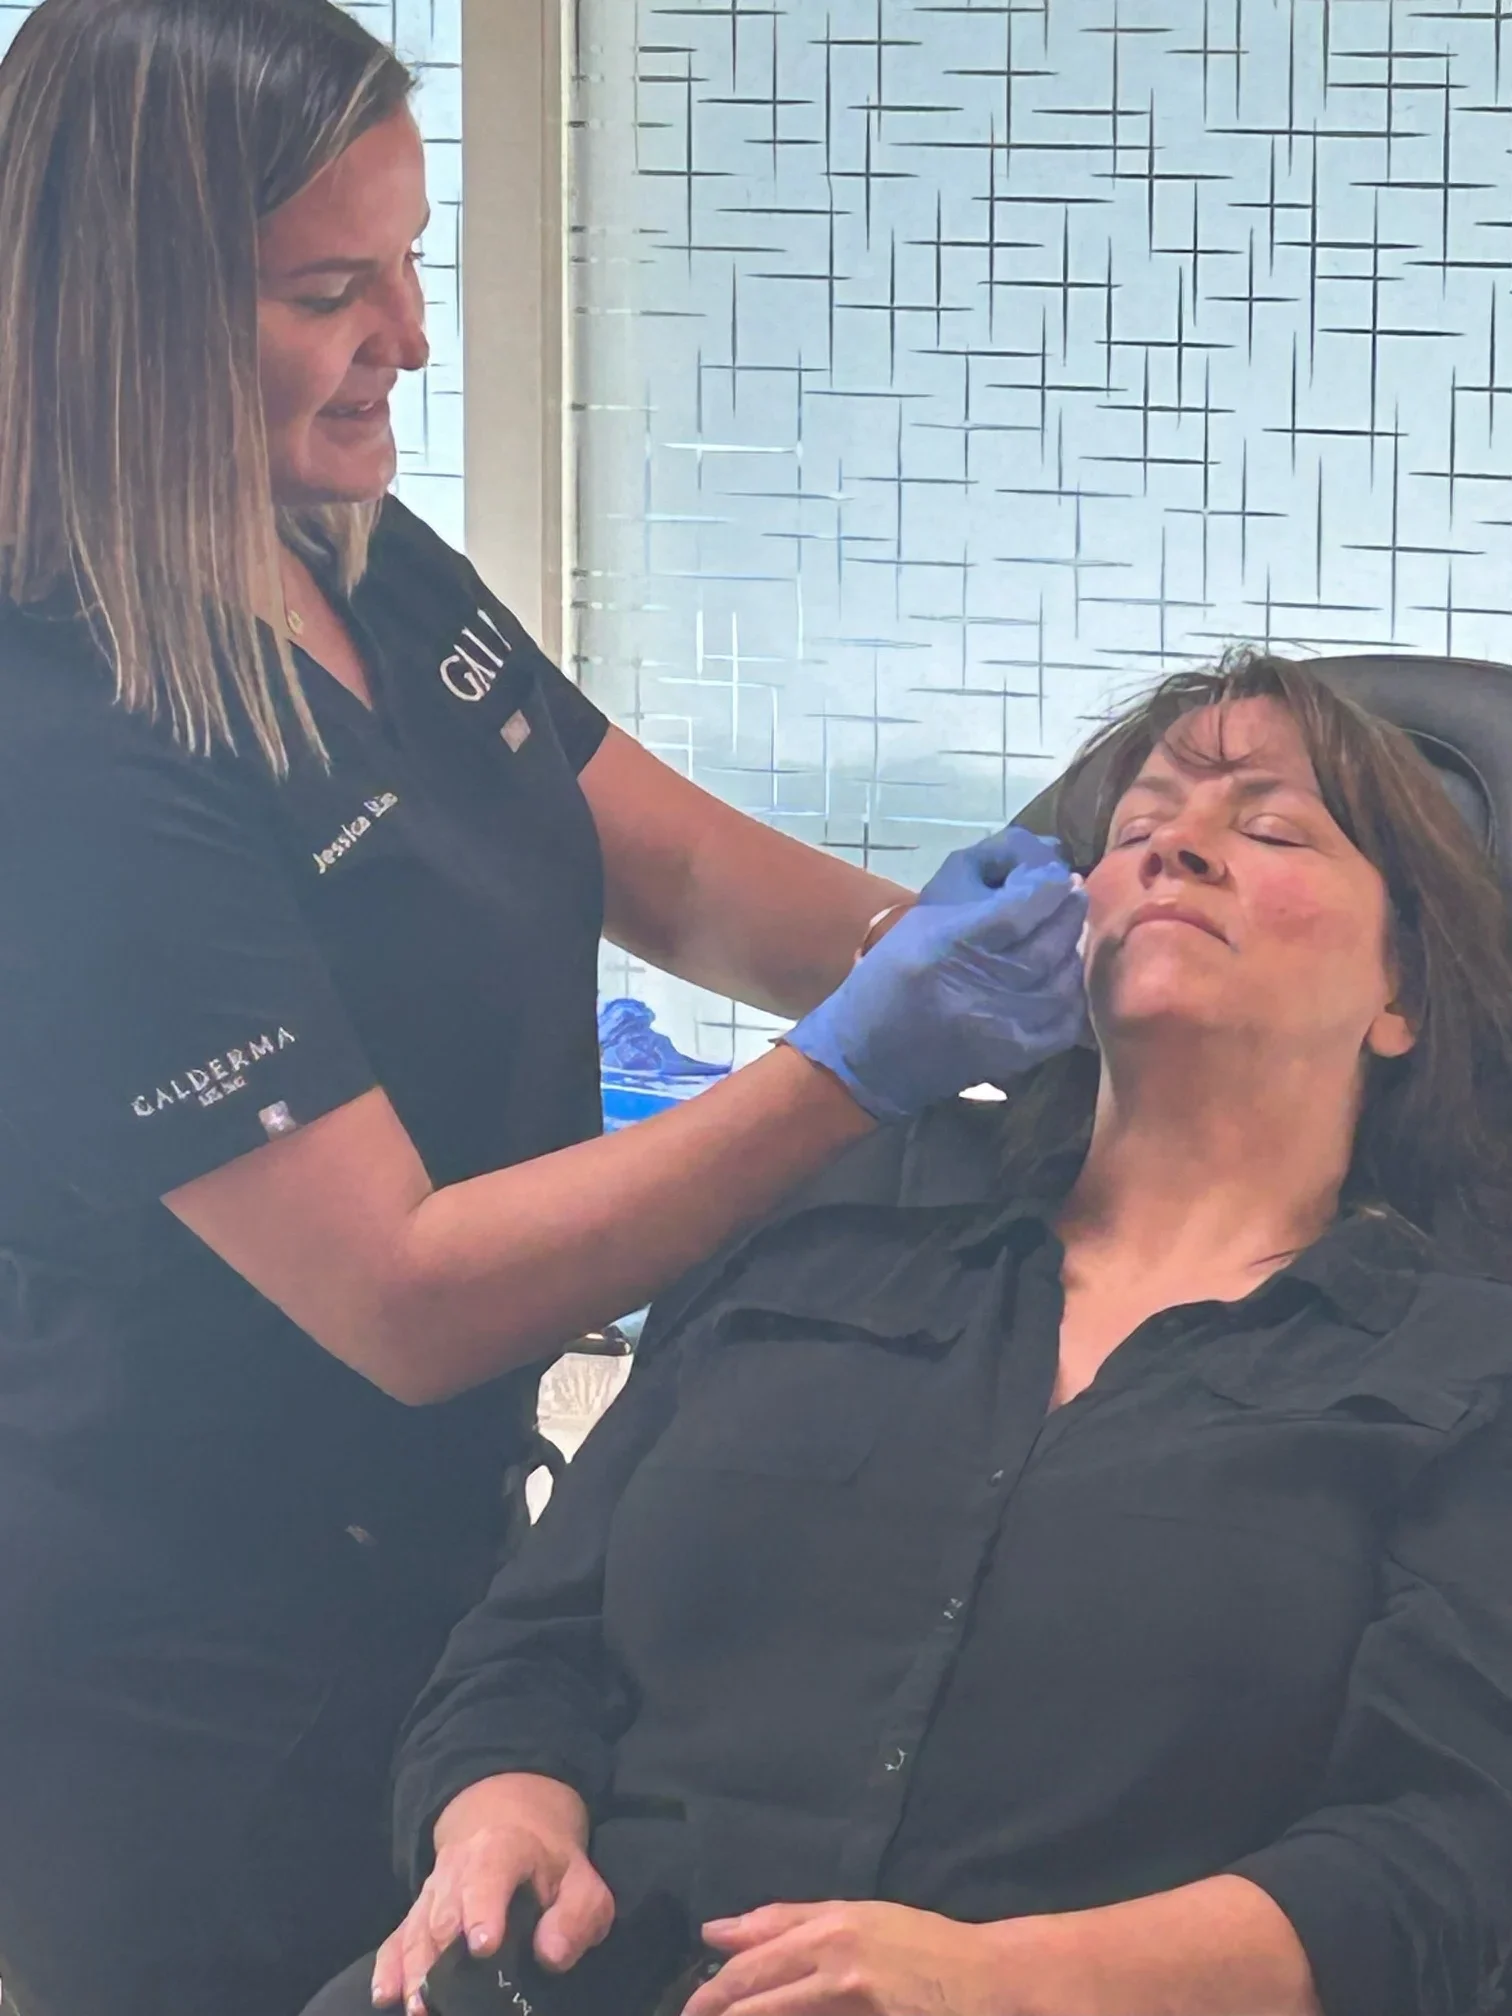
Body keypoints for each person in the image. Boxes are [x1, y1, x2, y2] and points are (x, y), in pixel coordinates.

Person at [0, 4, 1090, 2013]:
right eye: (332, 293)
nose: (410, 341)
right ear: (119, 317)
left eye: (412, 263)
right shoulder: (64, 745)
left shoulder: (349, 553)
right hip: (181, 1680)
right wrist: (855, 1077)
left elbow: (661, 863)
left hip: (444, 1570)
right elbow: (405, 1295)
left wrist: (1027, 956)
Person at [308, 651, 1512, 2016]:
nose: (1181, 845)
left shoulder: (1461, 1378)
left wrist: (1002, 1980)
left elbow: (1443, 1859)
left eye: (1275, 827)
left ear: (1404, 992)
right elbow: (534, 1644)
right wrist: (499, 1816)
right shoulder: (812, 1251)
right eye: (1138, 828)